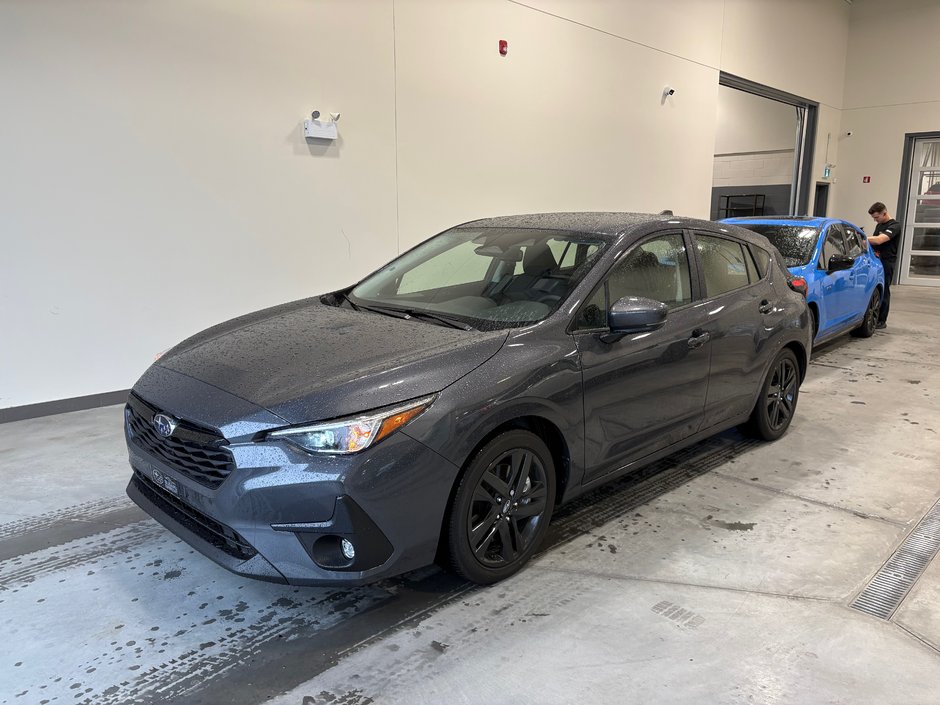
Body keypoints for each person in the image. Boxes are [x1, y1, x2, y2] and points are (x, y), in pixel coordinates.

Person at [866, 202, 900, 329]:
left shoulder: (895, 226)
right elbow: (874, 242)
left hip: (887, 262)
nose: (875, 220)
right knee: (876, 289)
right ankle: (872, 316)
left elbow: (880, 240)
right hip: (877, 260)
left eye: (876, 217)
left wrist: (862, 236)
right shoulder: (880, 225)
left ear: (884, 213)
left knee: (884, 290)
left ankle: (881, 320)